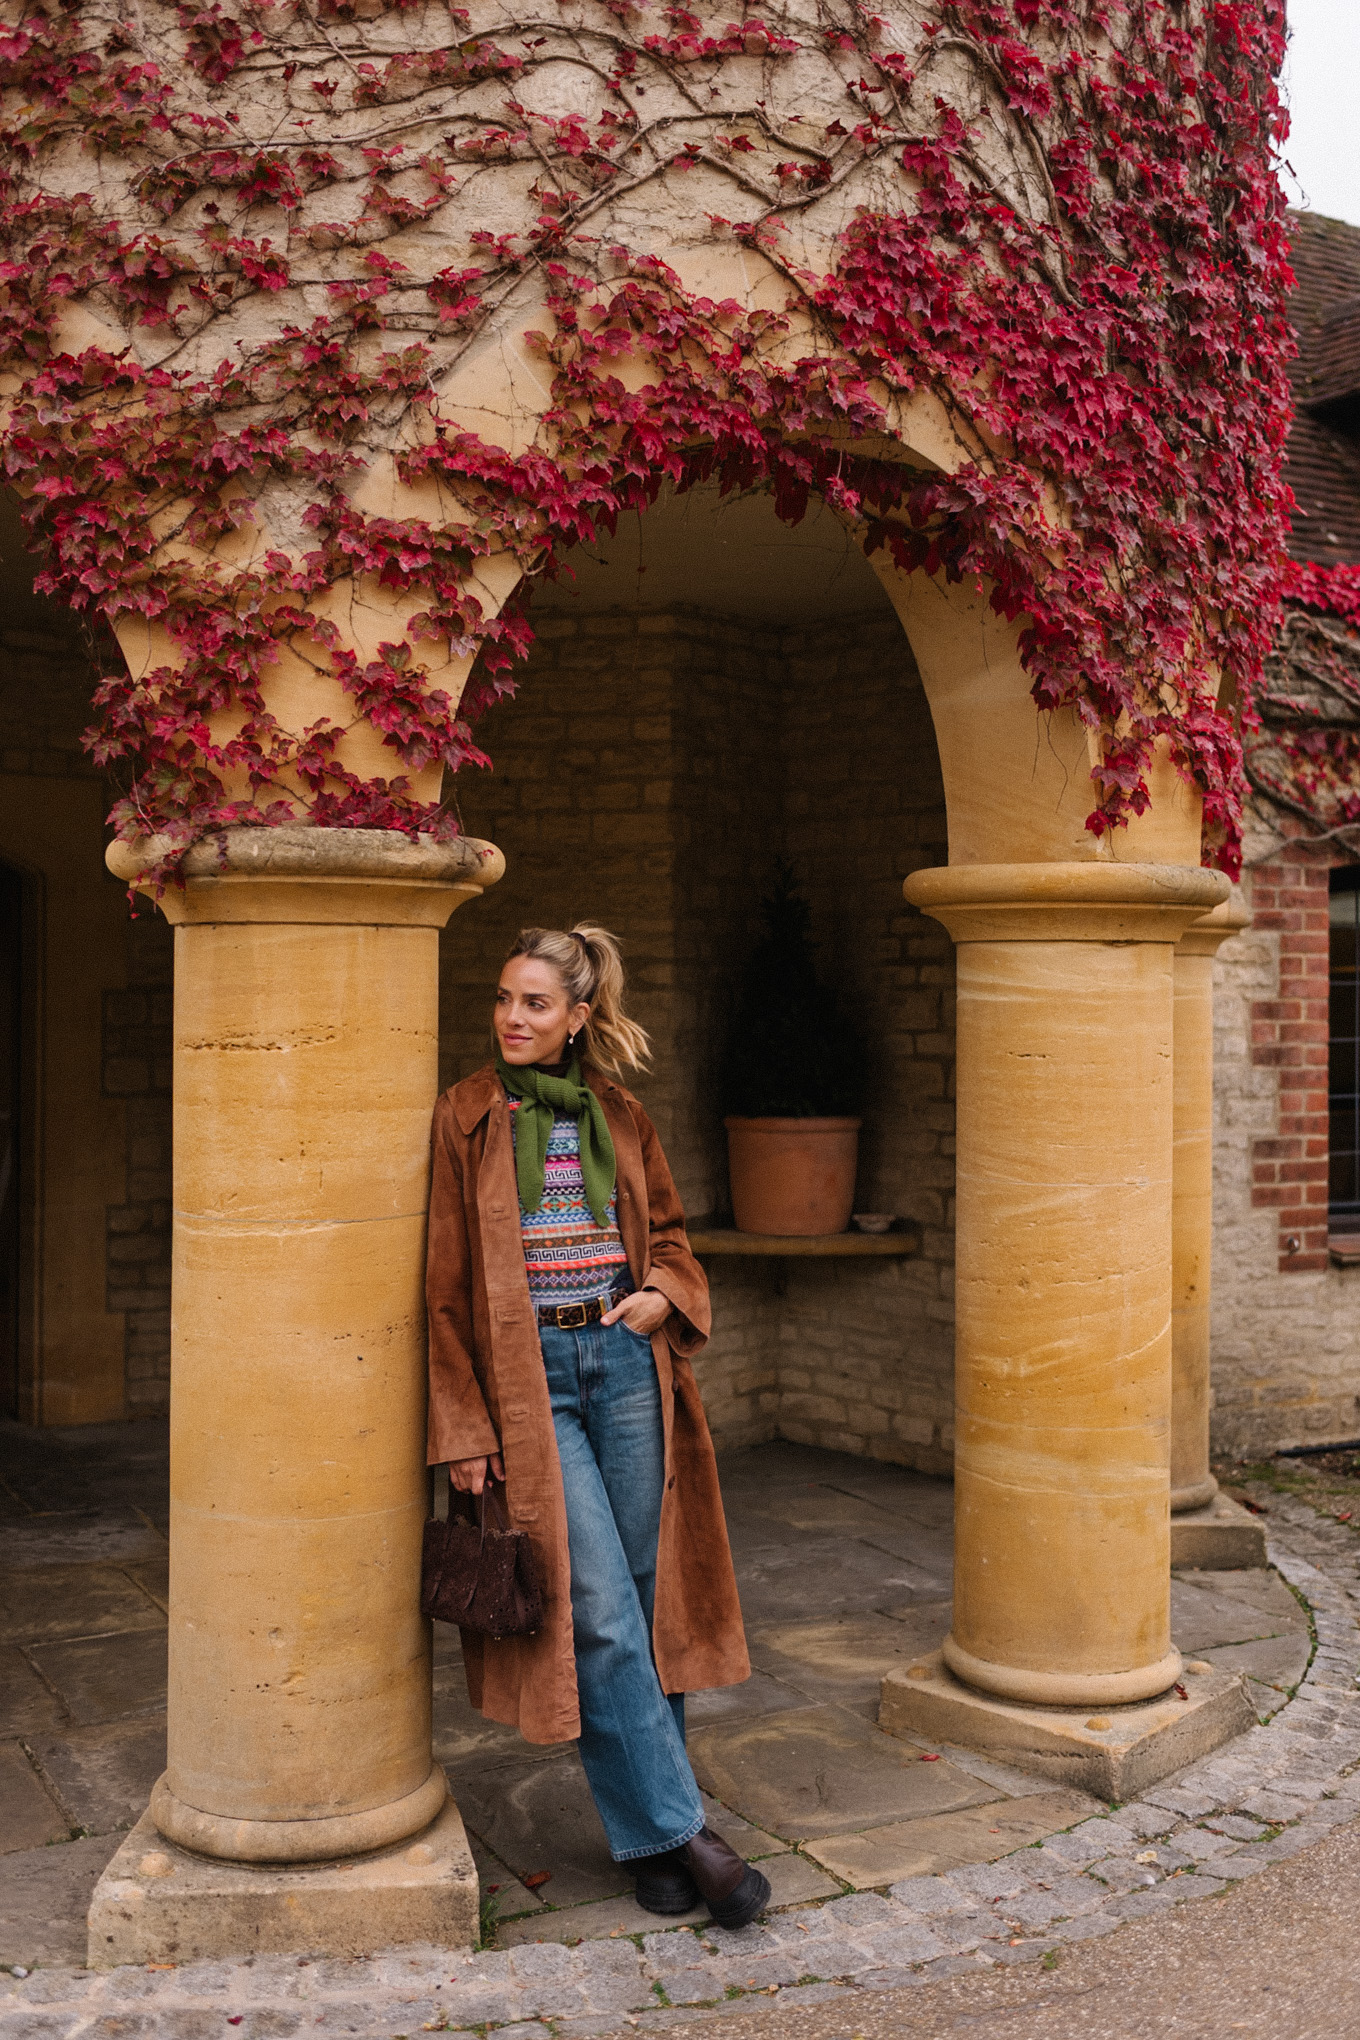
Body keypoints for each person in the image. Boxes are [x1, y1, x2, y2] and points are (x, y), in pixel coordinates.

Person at [425, 923, 769, 1929]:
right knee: (599, 1613)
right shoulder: (466, 1116)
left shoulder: (620, 1115)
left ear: (579, 1017)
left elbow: (669, 1236)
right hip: (530, 1387)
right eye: (503, 999)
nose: (511, 1019)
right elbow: (442, 1288)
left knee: (652, 1603)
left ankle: (650, 1847)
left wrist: (664, 1294)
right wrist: (463, 1426)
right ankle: (693, 1836)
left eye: (534, 1003)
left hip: (624, 1364)